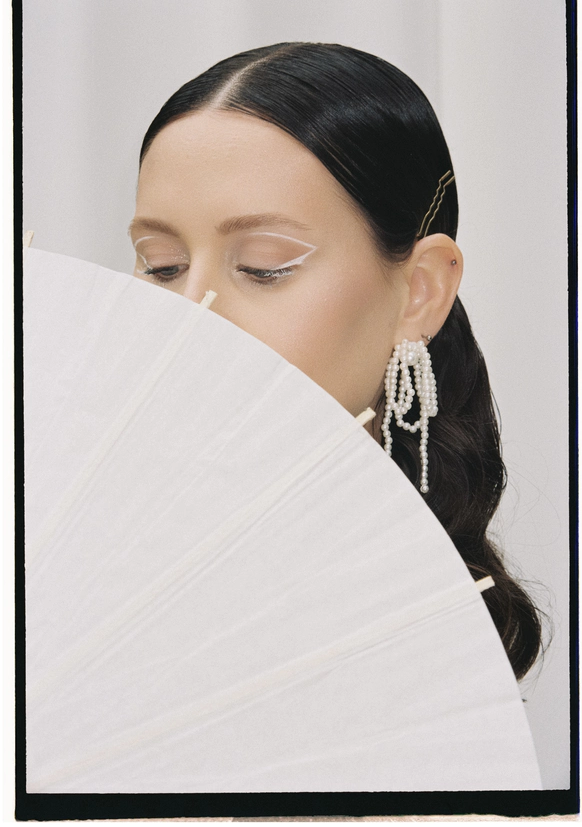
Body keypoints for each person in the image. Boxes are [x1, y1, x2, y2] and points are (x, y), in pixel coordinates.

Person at [131, 41, 542, 681]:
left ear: (420, 290)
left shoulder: (423, 654)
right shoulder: (84, 563)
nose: (193, 312)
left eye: (264, 266)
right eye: (162, 266)